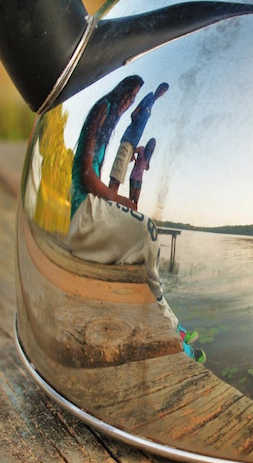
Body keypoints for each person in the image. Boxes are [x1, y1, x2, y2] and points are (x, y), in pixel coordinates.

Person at [68, 75, 204, 364]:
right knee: (148, 229)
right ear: (121, 92)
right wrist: (122, 202)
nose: (129, 102)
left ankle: (172, 324)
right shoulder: (101, 109)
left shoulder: (109, 121)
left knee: (144, 252)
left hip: (90, 214)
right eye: (130, 95)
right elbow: (86, 176)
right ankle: (169, 322)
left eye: (134, 98)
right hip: (85, 219)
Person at [108, 82, 169, 193]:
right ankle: (108, 196)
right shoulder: (149, 97)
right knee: (116, 172)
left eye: (164, 91)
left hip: (133, 143)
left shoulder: (152, 105)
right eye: (161, 88)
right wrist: (134, 130)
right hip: (129, 139)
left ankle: (111, 197)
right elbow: (134, 113)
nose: (161, 91)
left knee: (120, 175)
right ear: (158, 87)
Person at [128, 137, 155, 206]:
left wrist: (146, 167)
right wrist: (133, 158)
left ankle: (133, 214)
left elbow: (148, 166)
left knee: (136, 200)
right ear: (148, 144)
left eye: (153, 146)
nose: (151, 147)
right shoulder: (142, 149)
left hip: (140, 178)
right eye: (151, 144)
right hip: (134, 176)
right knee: (131, 198)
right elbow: (133, 149)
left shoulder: (148, 156)